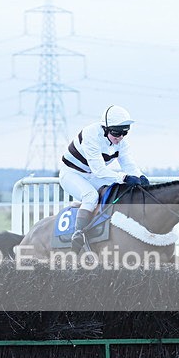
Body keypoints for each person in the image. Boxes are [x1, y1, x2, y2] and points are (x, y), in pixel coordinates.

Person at [60, 104, 150, 251]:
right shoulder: (90, 135)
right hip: (71, 173)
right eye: (116, 133)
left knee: (116, 190)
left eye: (124, 133)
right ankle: (79, 234)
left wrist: (140, 176)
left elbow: (128, 164)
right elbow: (99, 170)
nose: (120, 137)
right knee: (91, 196)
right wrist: (126, 177)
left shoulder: (121, 141)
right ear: (105, 128)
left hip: (92, 175)